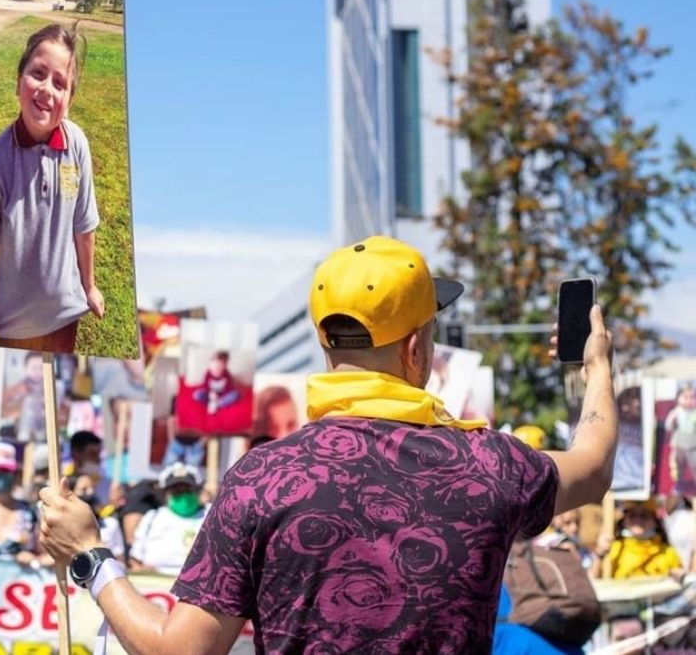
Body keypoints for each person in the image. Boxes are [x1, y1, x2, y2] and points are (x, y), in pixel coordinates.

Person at [38, 235, 618, 653]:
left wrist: (91, 556)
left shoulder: (261, 477)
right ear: (416, 347)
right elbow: (592, 466)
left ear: (324, 341)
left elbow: (180, 651)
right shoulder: (491, 465)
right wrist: (596, 368)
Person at [0, 23, 103, 353]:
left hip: (65, 315)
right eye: (38, 73)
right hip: (15, 324)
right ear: (19, 82)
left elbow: (84, 227)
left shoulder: (77, 145)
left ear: (70, 99)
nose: (46, 88)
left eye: (60, 83)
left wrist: (90, 287)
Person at [126, 463, 206, 575]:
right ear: (165, 494)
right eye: (177, 491)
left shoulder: (211, 516)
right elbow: (135, 560)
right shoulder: (152, 517)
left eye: (187, 490)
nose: (183, 495)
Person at [595, 500, 684, 580]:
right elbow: (591, 583)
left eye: (644, 516)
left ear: (655, 522)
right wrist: (598, 557)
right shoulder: (613, 548)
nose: (638, 520)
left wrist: (678, 577)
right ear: (624, 520)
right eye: (632, 515)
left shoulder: (667, 552)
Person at [73, 472, 125, 559]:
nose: (91, 492)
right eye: (84, 489)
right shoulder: (63, 527)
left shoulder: (111, 524)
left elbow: (120, 558)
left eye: (93, 488)